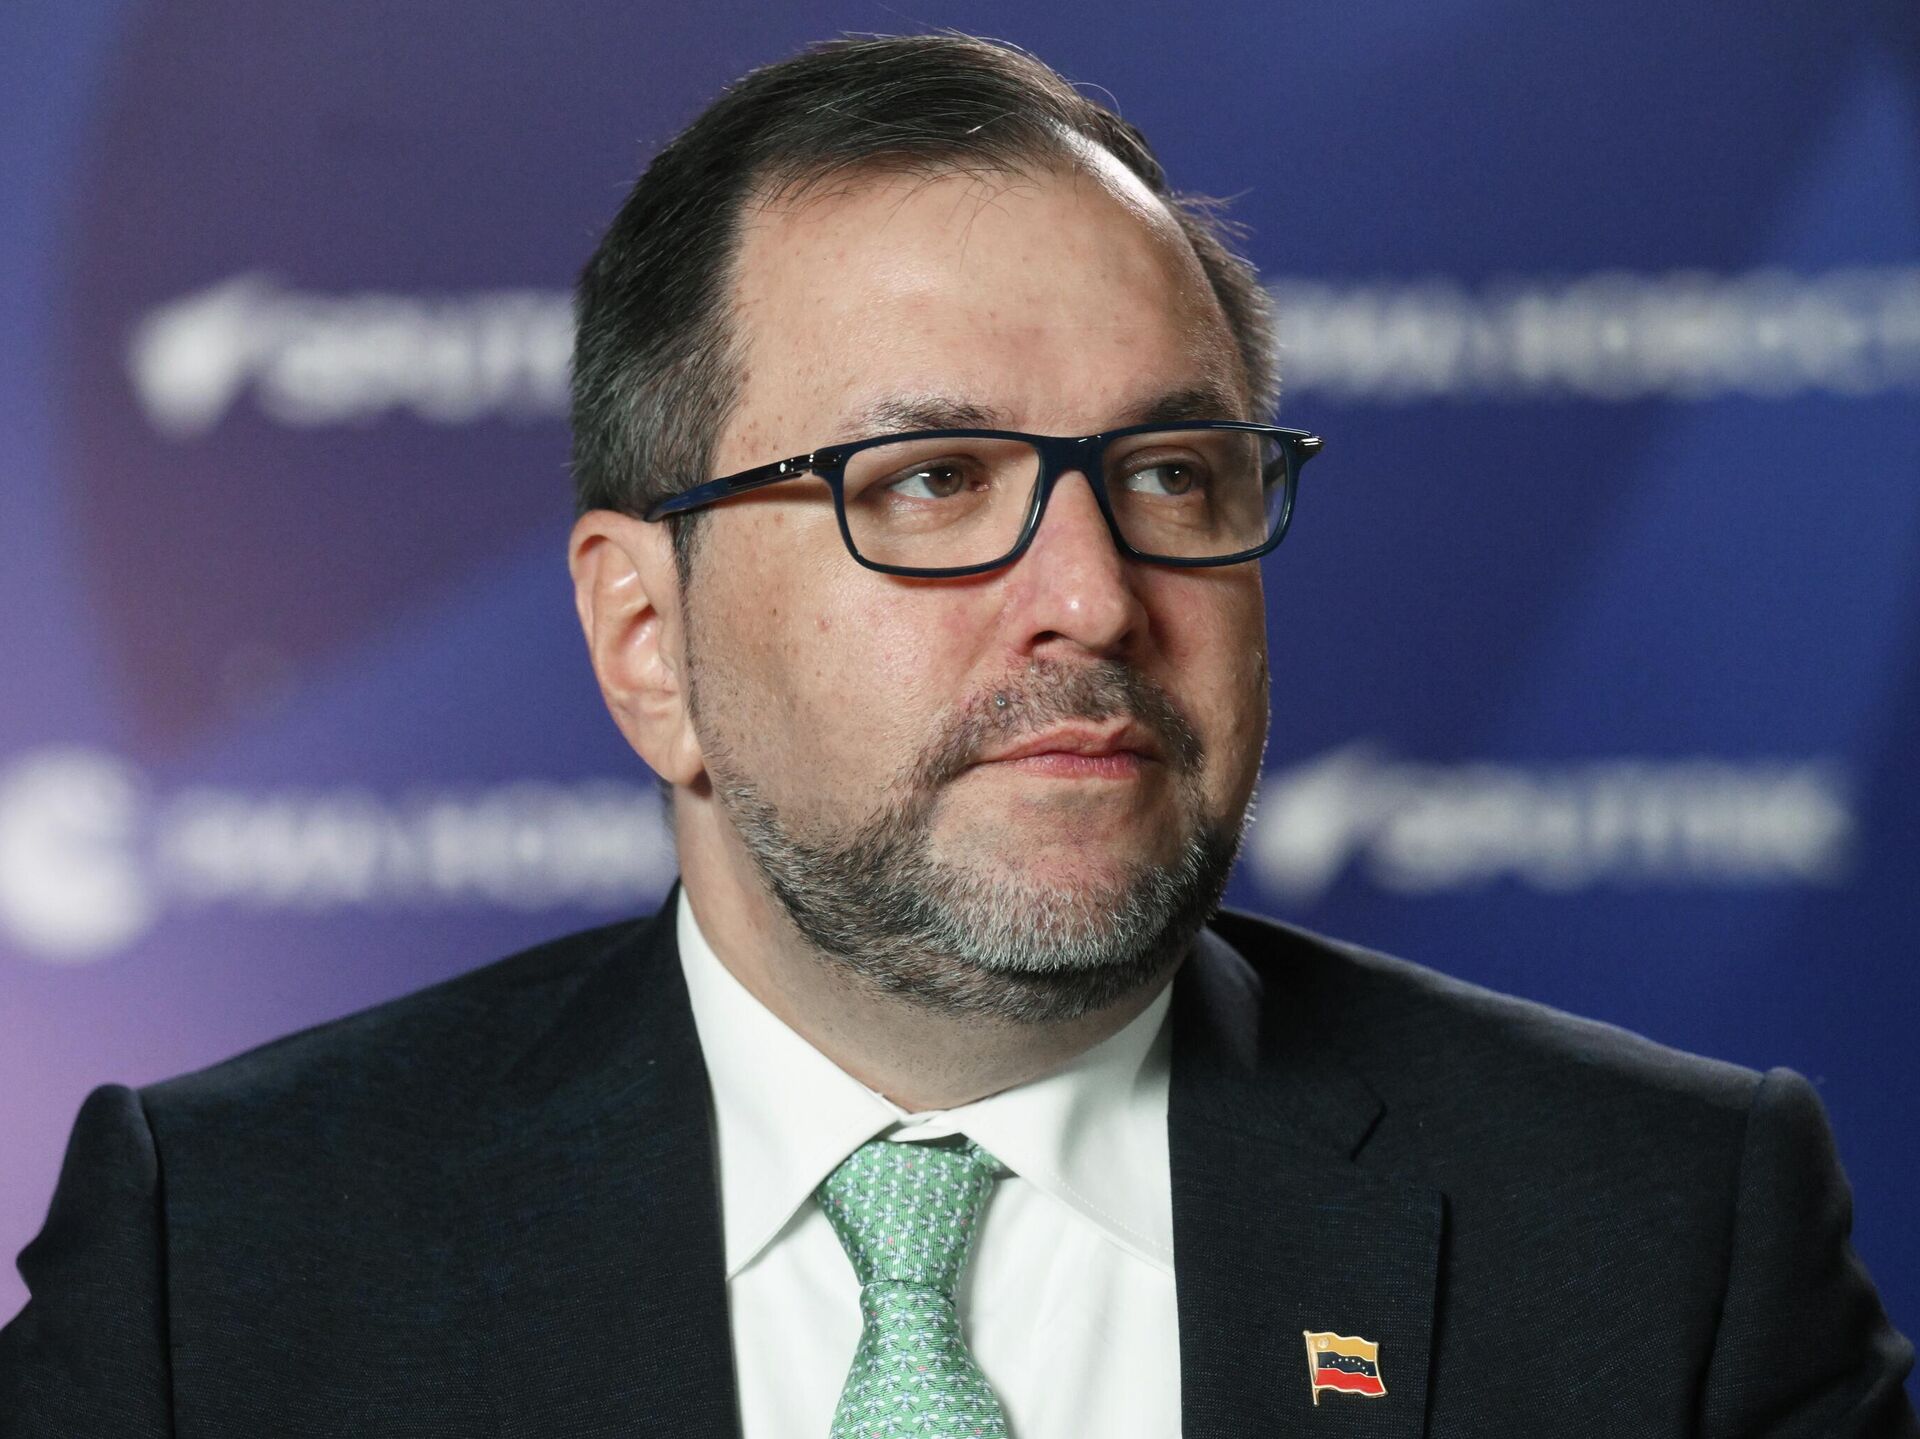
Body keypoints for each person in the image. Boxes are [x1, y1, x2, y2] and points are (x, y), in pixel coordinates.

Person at [2, 32, 1913, 1439]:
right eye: (926, 482)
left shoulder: (1666, 1239)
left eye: (1170, 474)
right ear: (649, 641)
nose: (1093, 594)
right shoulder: (222, 1264)